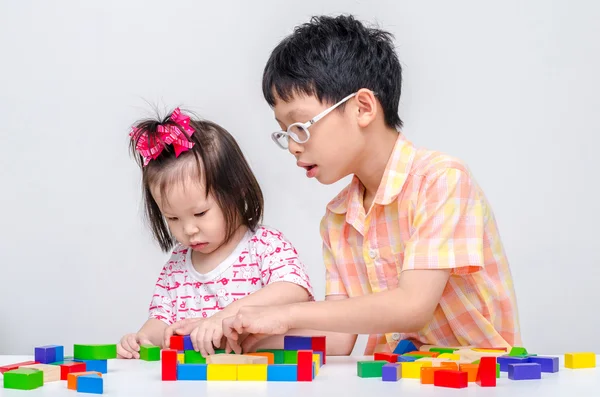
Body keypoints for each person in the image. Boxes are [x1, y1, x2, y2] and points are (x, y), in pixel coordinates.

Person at [221, 14, 522, 356]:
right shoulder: (337, 219)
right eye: (285, 132)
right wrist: (239, 333)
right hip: (394, 379)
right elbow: (336, 338)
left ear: (363, 107)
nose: (293, 145)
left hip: (476, 380)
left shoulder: (441, 180)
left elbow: (413, 305)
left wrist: (285, 313)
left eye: (301, 126)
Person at [117, 108, 313, 359]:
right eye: (173, 218)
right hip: (198, 382)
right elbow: (160, 324)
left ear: (237, 191)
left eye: (200, 213)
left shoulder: (264, 245)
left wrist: (222, 318)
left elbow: (293, 289)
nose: (188, 229)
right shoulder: (176, 267)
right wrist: (139, 340)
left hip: (259, 377)